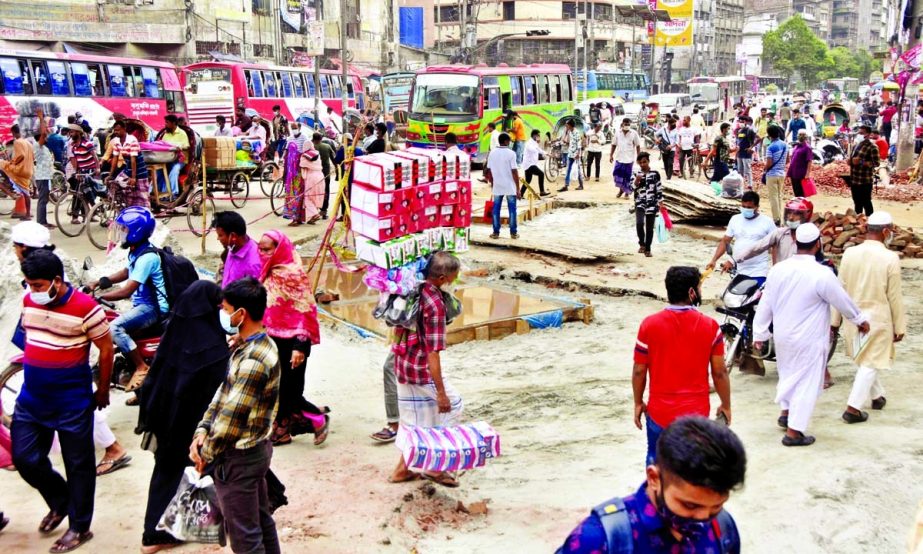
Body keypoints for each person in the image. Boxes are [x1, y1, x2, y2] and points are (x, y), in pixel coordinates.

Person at [14, 250, 114, 553]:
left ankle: (79, 527)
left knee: (79, 465)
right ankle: (60, 501)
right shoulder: (29, 300)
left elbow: (106, 349)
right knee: (25, 458)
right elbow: (28, 340)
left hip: (72, 401)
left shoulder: (86, 308)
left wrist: (103, 390)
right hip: (32, 400)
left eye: (38, 284)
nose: (33, 290)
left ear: (57, 281)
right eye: (29, 284)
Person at [753, 223, 869, 446]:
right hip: (809, 338)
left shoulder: (778, 270)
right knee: (806, 382)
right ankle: (794, 432)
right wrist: (860, 320)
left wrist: (760, 333)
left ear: (795, 243)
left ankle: (786, 413)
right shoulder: (822, 274)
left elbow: (765, 303)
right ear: (818, 244)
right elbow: (842, 302)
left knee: (787, 373)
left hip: (783, 335)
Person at [556, 417, 744, 554]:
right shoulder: (598, 540)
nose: (703, 519)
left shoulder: (723, 527)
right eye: (689, 505)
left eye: (716, 507)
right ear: (654, 478)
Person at [189, 277, 281, 554]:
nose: (224, 315)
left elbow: (232, 419)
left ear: (242, 313)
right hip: (252, 452)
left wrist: (207, 454)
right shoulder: (248, 346)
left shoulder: (254, 358)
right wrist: (203, 428)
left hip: (239, 457)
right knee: (260, 522)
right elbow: (223, 393)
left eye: (227, 309)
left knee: (244, 538)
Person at [137, 281, 229, 553]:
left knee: (165, 474)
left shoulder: (173, 336)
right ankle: (182, 529)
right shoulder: (213, 348)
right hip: (193, 428)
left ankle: (151, 532)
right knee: (200, 474)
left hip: (165, 422)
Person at [632, 266, 730, 464]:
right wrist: (726, 404)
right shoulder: (710, 327)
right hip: (696, 413)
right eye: (700, 288)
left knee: (657, 463)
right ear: (691, 292)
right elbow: (719, 373)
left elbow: (639, 370)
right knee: (693, 468)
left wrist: (638, 402)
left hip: (660, 412)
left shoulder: (649, 325)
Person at [389, 252, 463, 487]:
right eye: (453, 276)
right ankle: (434, 467)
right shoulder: (435, 304)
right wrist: (440, 392)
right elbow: (433, 351)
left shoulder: (414, 290)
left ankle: (402, 469)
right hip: (421, 370)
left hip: (402, 363)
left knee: (415, 418)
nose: (455, 279)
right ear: (442, 278)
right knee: (452, 407)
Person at [833, 211, 906, 424]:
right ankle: (853, 408)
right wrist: (899, 326)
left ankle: (877, 396)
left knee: (866, 358)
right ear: (885, 231)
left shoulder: (849, 253)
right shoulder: (890, 257)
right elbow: (894, 296)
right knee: (871, 362)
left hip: (852, 317)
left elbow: (840, 289)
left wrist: (834, 321)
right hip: (878, 318)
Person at [258, 231, 329, 446]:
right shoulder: (269, 270)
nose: (262, 253)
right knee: (276, 387)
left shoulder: (293, 274)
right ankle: (282, 431)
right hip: (273, 337)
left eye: (267, 249)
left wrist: (300, 346)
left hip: (295, 342)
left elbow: (305, 311)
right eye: (260, 249)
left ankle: (317, 419)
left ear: (279, 249)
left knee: (290, 390)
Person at [88, 208, 167, 392]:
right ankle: (140, 391)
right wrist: (99, 282)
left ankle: (141, 366)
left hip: (151, 308)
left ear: (136, 232)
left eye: (124, 230)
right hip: (142, 305)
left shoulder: (147, 257)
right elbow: (126, 272)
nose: (121, 233)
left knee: (114, 327)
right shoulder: (136, 251)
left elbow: (126, 291)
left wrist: (99, 297)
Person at [706, 191, 777, 284]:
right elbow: (725, 241)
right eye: (743, 206)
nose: (745, 209)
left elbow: (775, 245)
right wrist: (714, 260)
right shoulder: (735, 219)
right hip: (738, 270)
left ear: (757, 207)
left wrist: (775, 267)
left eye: (749, 207)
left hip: (759, 270)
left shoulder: (767, 222)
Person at [107, 120, 151, 209]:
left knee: (142, 197)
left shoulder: (132, 140)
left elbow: (133, 160)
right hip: (128, 170)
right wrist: (110, 175)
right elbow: (115, 159)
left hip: (139, 172)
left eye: (118, 130)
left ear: (124, 129)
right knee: (115, 184)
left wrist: (133, 177)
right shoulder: (116, 141)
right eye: (115, 130)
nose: (116, 132)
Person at [485, 133, 520, 240]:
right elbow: (514, 171)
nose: (509, 143)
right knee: (512, 209)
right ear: (506, 141)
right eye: (509, 141)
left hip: (497, 185)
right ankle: (513, 233)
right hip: (510, 185)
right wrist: (518, 188)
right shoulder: (511, 154)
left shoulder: (492, 153)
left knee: (496, 209)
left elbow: (489, 171)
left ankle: (496, 232)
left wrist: (492, 183)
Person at [213, 211, 263, 286]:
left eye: (220, 235)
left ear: (233, 236)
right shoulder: (233, 246)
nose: (218, 238)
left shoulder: (253, 264)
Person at [632, 152, 664, 258]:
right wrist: (637, 181)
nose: (642, 164)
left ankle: (648, 249)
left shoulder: (655, 174)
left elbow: (659, 188)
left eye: (644, 162)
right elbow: (631, 188)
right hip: (640, 202)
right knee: (639, 223)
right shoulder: (635, 173)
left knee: (650, 228)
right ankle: (642, 243)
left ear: (648, 161)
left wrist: (661, 202)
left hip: (652, 203)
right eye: (640, 162)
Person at [0, 124, 34, 220]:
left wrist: (13, 162)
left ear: (13, 133)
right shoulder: (28, 142)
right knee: (25, 192)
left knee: (2, 164)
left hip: (20, 170)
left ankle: (10, 189)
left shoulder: (17, 142)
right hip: (28, 170)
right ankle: (27, 213)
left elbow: (21, 156)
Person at [848, 125, 879, 216]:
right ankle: (858, 222)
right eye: (859, 133)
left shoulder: (872, 147)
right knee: (857, 202)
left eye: (862, 133)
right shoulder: (856, 145)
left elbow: (876, 163)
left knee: (866, 202)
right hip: (854, 179)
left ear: (869, 134)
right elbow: (853, 159)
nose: (860, 135)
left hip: (865, 180)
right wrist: (850, 161)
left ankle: (870, 221)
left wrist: (861, 162)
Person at [32, 109, 55, 227]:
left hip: (45, 176)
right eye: (44, 136)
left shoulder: (44, 148)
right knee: (42, 200)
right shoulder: (38, 146)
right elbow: (44, 134)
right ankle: (41, 222)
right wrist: (41, 119)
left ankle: (44, 221)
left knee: (44, 200)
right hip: (42, 177)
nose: (47, 137)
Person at [158, 115, 189, 197]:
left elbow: (187, 146)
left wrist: (178, 146)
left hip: (180, 160)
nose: (165, 124)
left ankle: (173, 193)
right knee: (158, 172)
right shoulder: (166, 134)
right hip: (168, 159)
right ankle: (157, 192)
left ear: (174, 123)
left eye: (167, 123)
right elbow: (162, 145)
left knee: (174, 171)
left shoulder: (182, 133)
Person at [610, 117, 641, 198]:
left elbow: (638, 146)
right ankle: (621, 189)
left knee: (627, 177)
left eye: (628, 124)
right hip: (619, 158)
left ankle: (625, 192)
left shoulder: (634, 133)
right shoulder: (617, 133)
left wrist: (639, 156)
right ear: (622, 124)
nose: (627, 125)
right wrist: (611, 155)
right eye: (625, 124)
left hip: (629, 159)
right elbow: (613, 144)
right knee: (617, 174)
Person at [312, 132, 335, 219]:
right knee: (326, 192)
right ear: (321, 139)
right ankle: (324, 211)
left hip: (314, 175)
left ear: (313, 139)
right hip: (326, 174)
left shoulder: (312, 147)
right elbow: (334, 160)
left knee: (314, 193)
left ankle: (314, 211)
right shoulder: (327, 146)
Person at [521, 129, 548, 197]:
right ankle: (542, 191)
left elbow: (539, 150)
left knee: (528, 180)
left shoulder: (534, 142)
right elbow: (533, 150)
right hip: (529, 164)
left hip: (531, 164)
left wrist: (547, 153)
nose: (539, 137)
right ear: (534, 135)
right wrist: (537, 144)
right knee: (541, 174)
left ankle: (521, 194)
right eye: (538, 135)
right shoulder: (529, 143)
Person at [786, 129, 812, 199]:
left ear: (806, 136)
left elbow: (809, 161)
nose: (801, 136)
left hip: (801, 173)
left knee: (801, 193)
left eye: (803, 135)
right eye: (800, 134)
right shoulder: (796, 146)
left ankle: (802, 206)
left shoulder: (807, 147)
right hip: (793, 172)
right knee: (796, 191)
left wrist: (807, 174)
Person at [559, 119, 584, 192]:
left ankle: (581, 185)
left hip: (576, 154)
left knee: (578, 170)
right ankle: (566, 185)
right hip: (570, 153)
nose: (566, 126)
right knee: (568, 169)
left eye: (567, 124)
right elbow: (570, 142)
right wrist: (564, 141)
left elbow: (578, 144)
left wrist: (578, 154)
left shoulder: (576, 133)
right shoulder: (570, 132)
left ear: (570, 125)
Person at [735, 116, 757, 190]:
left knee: (747, 170)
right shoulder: (739, 131)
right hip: (739, 153)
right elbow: (738, 141)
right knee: (740, 170)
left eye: (742, 121)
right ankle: (741, 184)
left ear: (746, 122)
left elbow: (759, 138)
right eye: (740, 121)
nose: (741, 123)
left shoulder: (750, 130)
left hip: (746, 154)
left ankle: (750, 184)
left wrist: (751, 147)